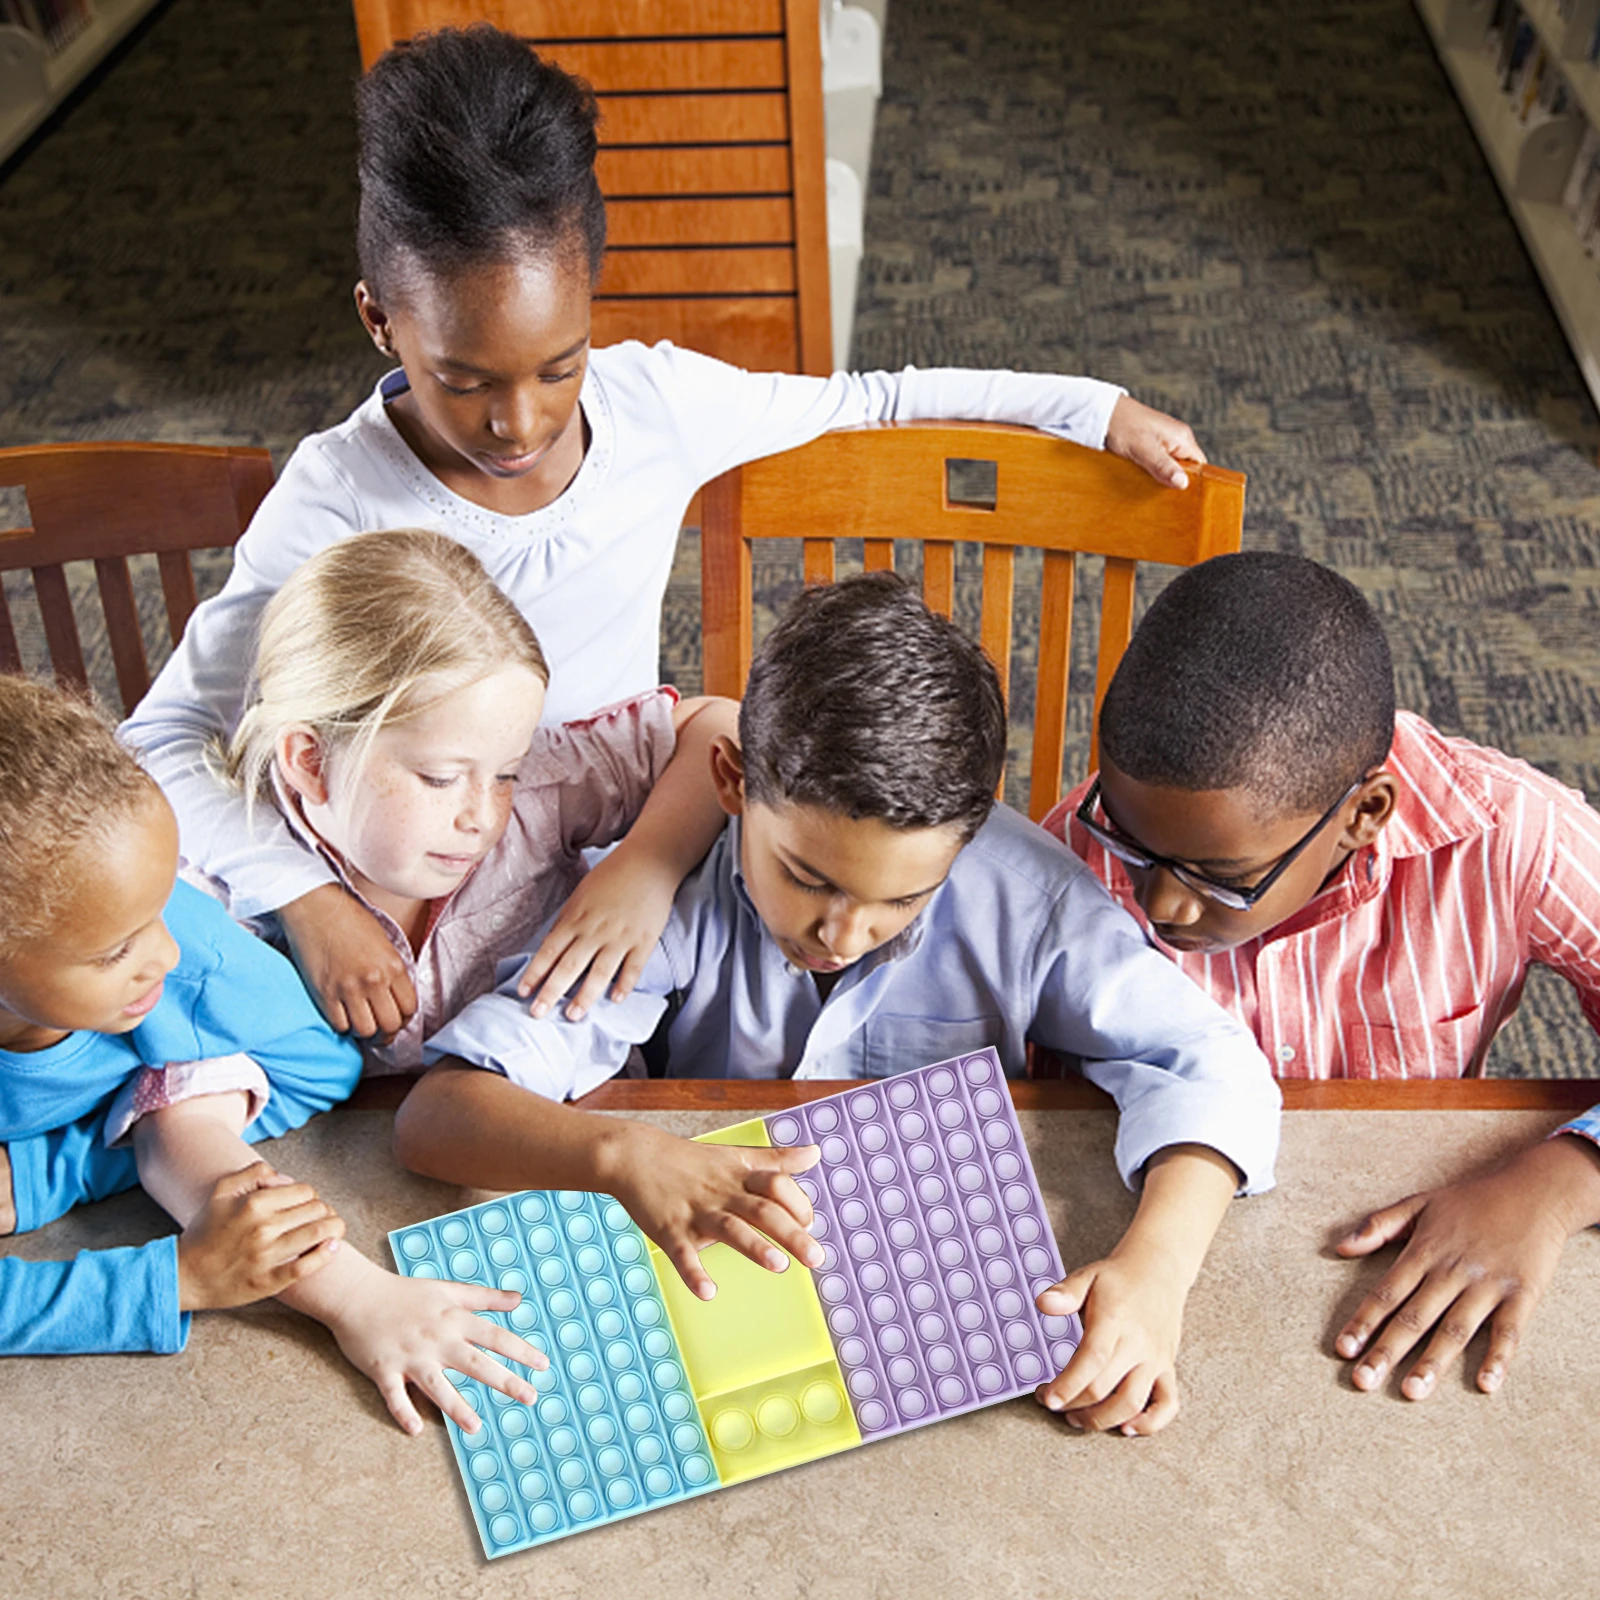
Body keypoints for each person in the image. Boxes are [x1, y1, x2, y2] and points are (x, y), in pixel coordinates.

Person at [121, 22, 1207, 1046]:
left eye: (559, 366)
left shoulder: (653, 403)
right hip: (405, 884)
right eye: (465, 381)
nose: (520, 423)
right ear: (379, 320)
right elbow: (162, 742)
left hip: (613, 847)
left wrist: (1089, 408)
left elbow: (873, 399)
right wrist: (307, 900)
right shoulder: (337, 495)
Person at [393, 573, 1282, 1438]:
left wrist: (1157, 1272)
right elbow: (439, 1112)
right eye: (808, 878)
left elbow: (1215, 1067)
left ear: (967, 841)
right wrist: (624, 1153)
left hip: (934, 1309)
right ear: (733, 784)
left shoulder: (1032, 901)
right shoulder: (676, 900)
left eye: (905, 899)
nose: (843, 933)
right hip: (724, 1308)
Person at [1043, 549, 1600, 1402]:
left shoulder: (1514, 834)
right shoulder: (1070, 860)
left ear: (1364, 813)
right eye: (1130, 843)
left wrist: (1558, 1185)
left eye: (1221, 877)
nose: (1160, 903)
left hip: (1415, 1243)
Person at [0, 677, 547, 1428]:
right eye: (113, 951)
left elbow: (321, 1065)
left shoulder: (185, 953)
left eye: (160, 909)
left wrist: (50, 1171)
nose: (164, 954)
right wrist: (177, 1279)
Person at [213, 527, 736, 1068]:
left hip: (580, 1107)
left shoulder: (542, 789)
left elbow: (720, 727)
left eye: (507, 774)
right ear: (311, 762)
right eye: (440, 779)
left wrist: (645, 869)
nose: (484, 818)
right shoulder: (228, 900)